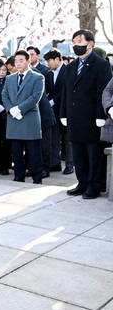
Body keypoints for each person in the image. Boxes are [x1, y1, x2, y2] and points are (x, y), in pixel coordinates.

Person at [60, 29, 112, 199]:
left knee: (94, 155)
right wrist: (64, 113)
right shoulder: (71, 66)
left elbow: (103, 92)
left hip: (92, 118)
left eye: (79, 42)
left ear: (90, 44)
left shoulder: (101, 65)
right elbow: (66, 92)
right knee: (78, 154)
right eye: (74, 42)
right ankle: (82, 183)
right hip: (74, 117)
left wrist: (101, 116)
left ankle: (94, 185)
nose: (76, 45)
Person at [1, 50, 45, 184]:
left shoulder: (38, 77)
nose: (18, 63)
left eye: (21, 60)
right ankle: (18, 176)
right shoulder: (9, 78)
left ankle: (37, 178)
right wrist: (11, 109)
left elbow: (35, 97)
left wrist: (20, 109)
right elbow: (4, 95)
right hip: (13, 119)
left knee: (34, 152)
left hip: (29, 118)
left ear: (28, 61)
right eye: (16, 61)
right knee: (16, 152)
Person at [44, 48, 74, 175]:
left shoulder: (69, 71)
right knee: (54, 138)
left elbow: (67, 90)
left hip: (66, 110)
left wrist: (53, 101)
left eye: (49, 61)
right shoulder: (48, 74)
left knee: (68, 140)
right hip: (53, 112)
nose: (48, 64)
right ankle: (55, 164)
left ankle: (69, 164)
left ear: (57, 59)